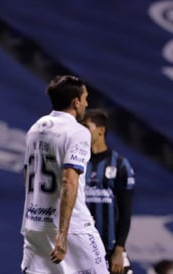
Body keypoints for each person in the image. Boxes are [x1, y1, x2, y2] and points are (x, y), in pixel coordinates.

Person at [20, 75, 109, 273]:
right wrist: (62, 233)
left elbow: (27, 175)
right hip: (72, 228)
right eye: (85, 98)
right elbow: (69, 181)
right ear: (76, 102)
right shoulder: (78, 132)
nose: (86, 103)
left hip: (34, 226)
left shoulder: (35, 128)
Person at [82, 109, 136, 274]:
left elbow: (125, 212)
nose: (82, 131)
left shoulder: (120, 165)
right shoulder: (78, 163)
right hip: (83, 247)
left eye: (86, 127)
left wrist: (119, 250)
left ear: (101, 130)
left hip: (111, 249)